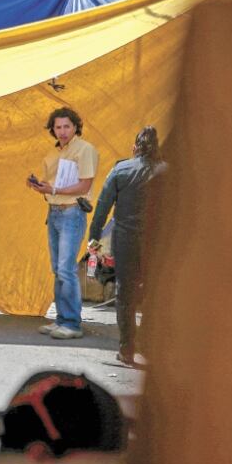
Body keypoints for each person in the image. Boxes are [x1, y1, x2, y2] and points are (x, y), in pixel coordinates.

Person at [89, 126, 165, 365]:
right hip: (157, 243)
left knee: (125, 293)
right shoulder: (168, 173)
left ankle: (127, 349)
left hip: (126, 240)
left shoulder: (121, 170)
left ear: (135, 148)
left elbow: (102, 207)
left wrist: (94, 238)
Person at [27, 108, 99, 340]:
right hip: (55, 210)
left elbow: (85, 185)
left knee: (66, 269)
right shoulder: (53, 152)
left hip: (72, 212)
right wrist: (41, 187)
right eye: (58, 127)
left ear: (76, 127)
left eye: (67, 126)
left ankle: (72, 323)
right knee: (58, 269)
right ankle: (61, 319)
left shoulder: (85, 149)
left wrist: (54, 189)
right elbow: (53, 185)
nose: (62, 131)